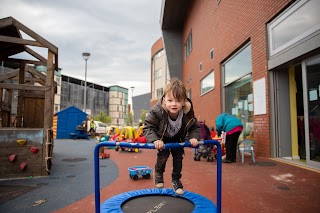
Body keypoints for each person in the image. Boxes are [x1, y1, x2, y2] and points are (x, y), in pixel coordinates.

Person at [143, 78, 200, 195]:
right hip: (162, 138)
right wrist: (155, 140)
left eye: (178, 101)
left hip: (177, 138)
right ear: (164, 100)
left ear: (184, 101)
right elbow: (148, 127)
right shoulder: (157, 111)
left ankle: (176, 180)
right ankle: (158, 173)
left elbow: (194, 127)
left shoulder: (187, 112)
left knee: (178, 158)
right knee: (163, 155)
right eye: (170, 100)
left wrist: (194, 138)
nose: (174, 104)